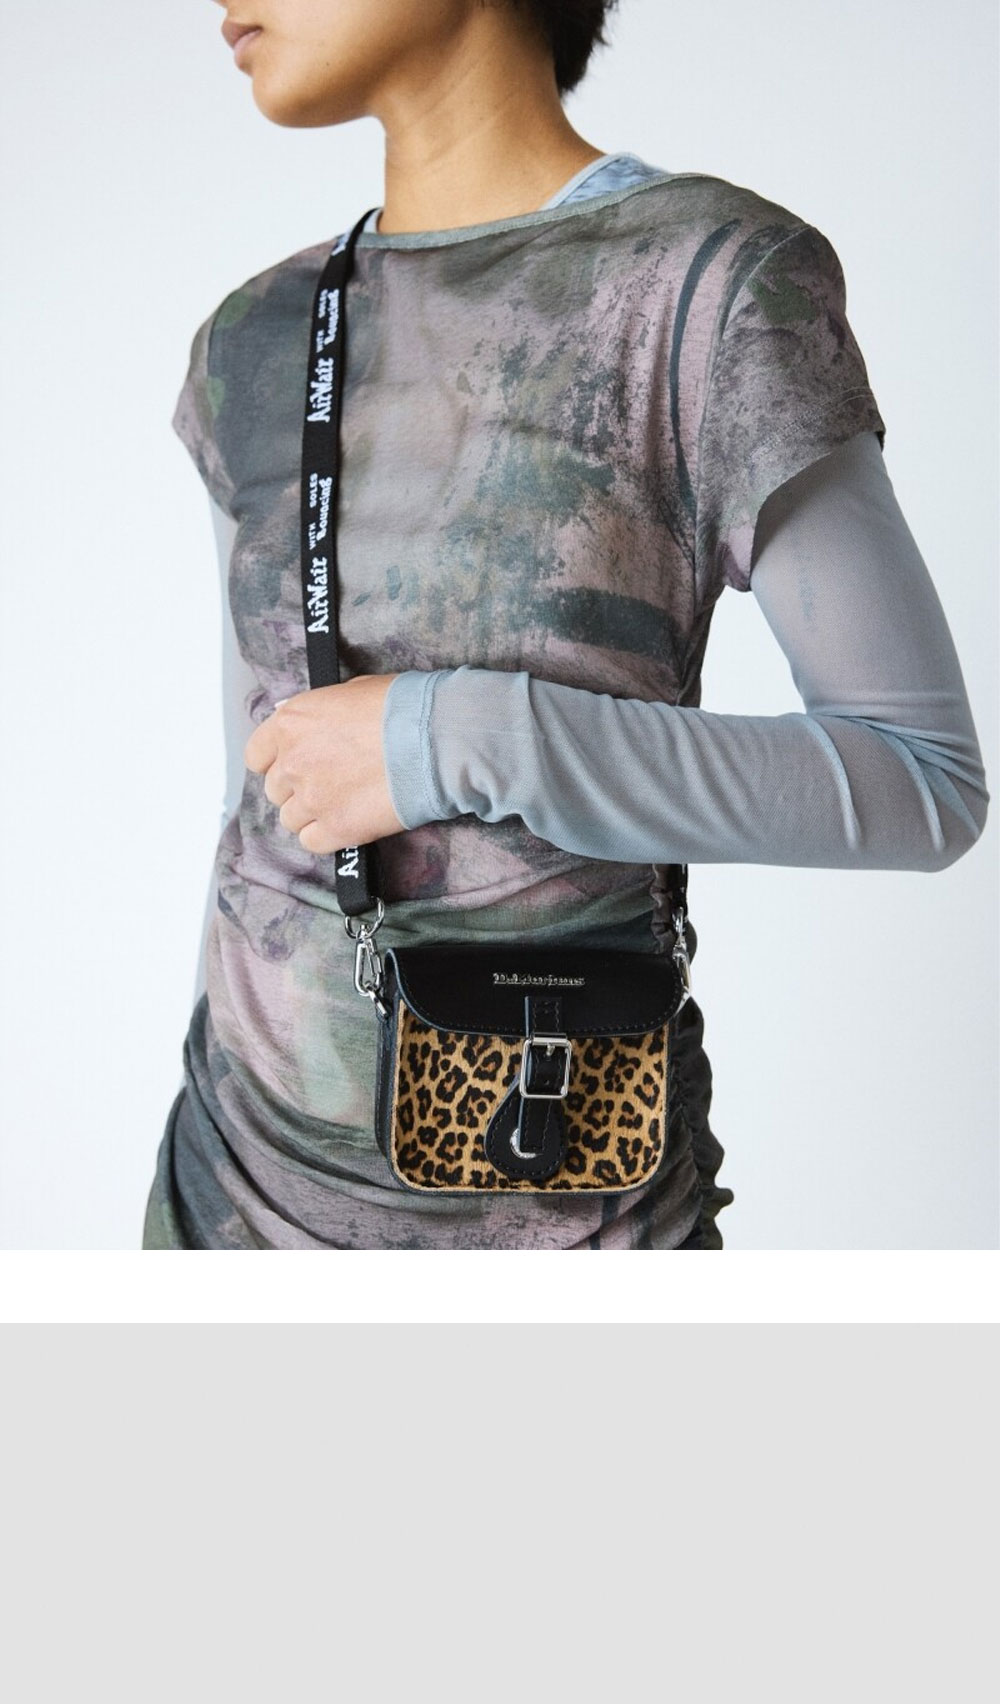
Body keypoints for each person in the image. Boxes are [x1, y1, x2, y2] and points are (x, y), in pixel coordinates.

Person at [144, 0, 990, 1251]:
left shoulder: (709, 286)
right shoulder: (251, 339)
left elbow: (924, 784)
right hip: (225, 1201)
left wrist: (457, 736)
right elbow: (264, 799)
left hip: (567, 1214)